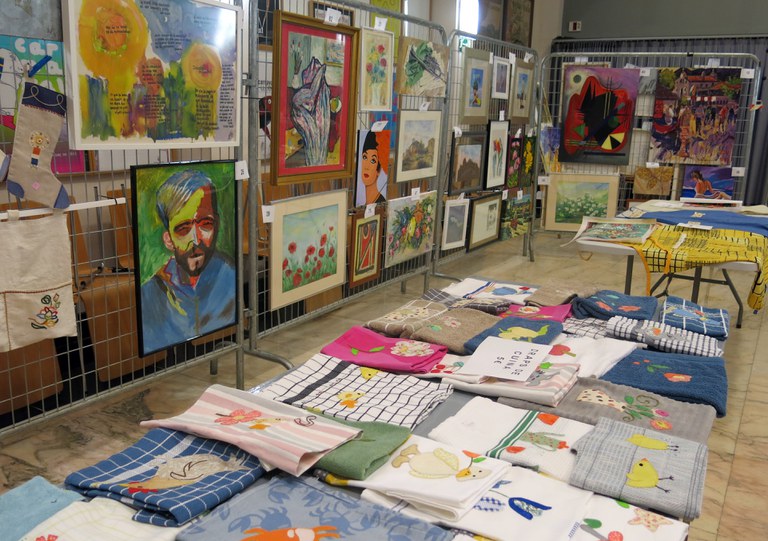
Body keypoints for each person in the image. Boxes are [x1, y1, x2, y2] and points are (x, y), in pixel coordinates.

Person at [140, 169, 236, 353]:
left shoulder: (229, 275)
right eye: (183, 229)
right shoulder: (152, 293)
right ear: (168, 240)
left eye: (205, 224)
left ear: (216, 226)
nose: (196, 240)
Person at [355, 130, 388, 207]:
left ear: (379, 170)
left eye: (373, 161)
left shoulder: (380, 202)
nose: (366, 167)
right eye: (365, 157)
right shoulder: (363, 202)